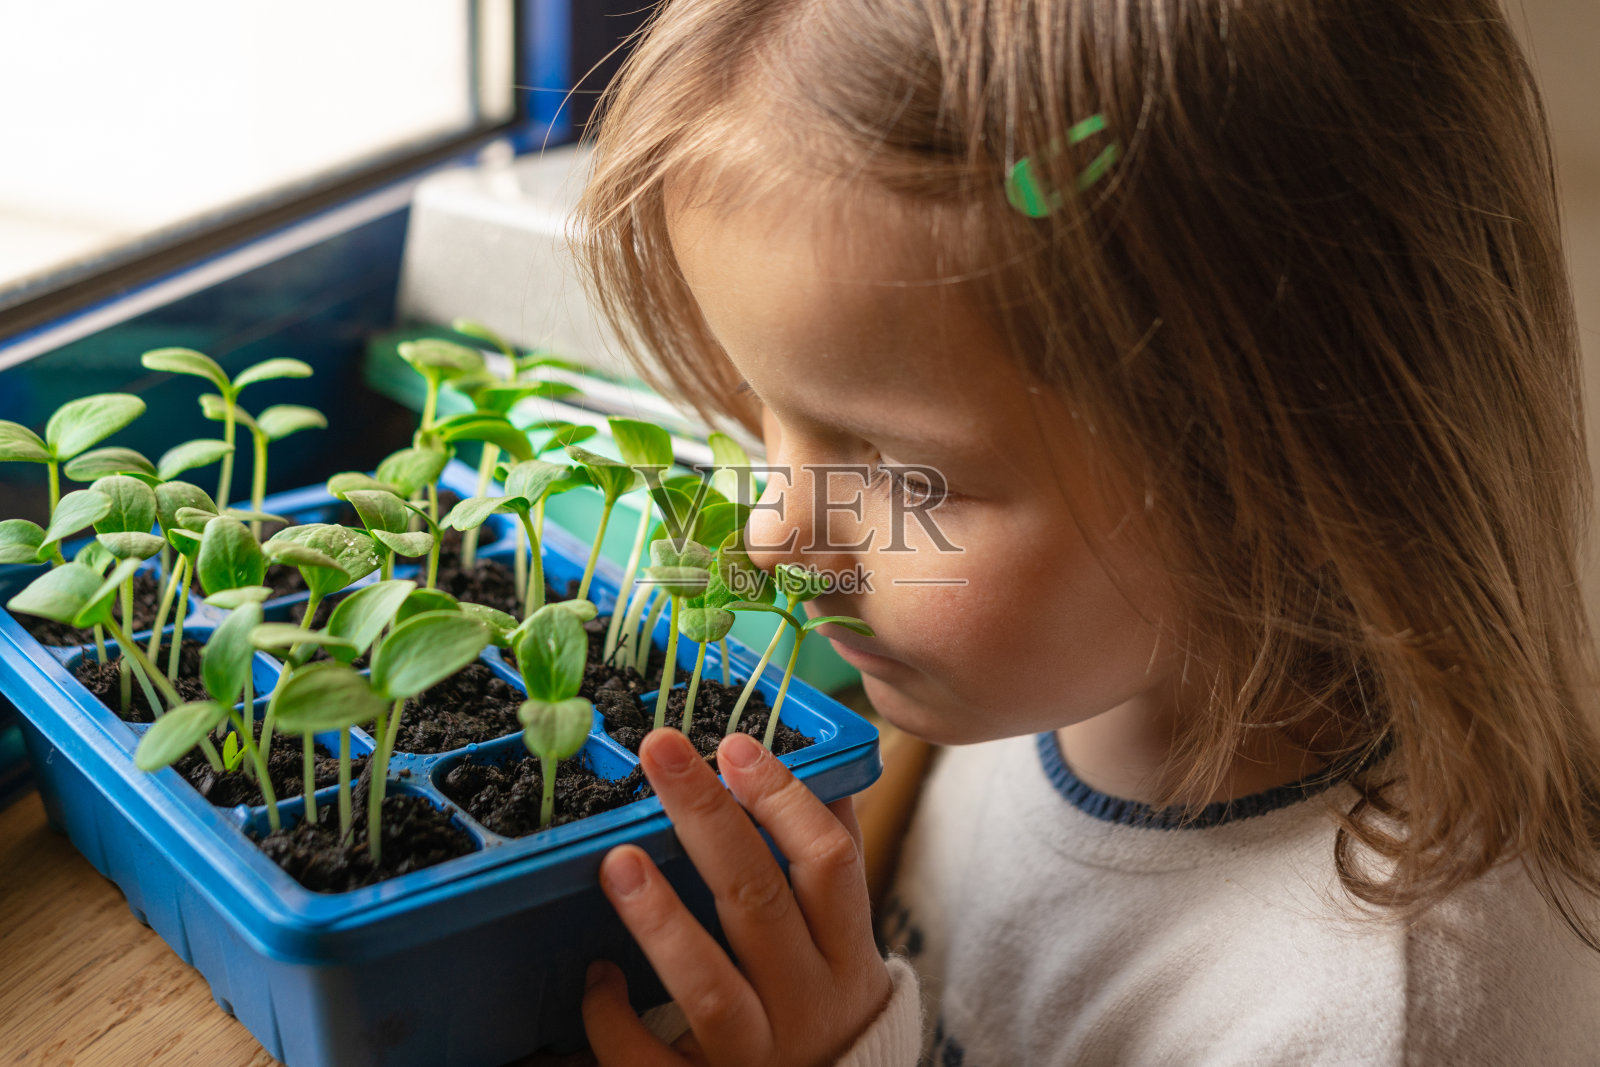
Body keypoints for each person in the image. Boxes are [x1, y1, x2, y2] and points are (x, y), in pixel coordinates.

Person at [568, 0, 1600, 1063]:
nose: (771, 535)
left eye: (901, 471)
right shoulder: (1061, 661)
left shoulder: (1381, 1019)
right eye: (757, 404)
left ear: (1285, 465)